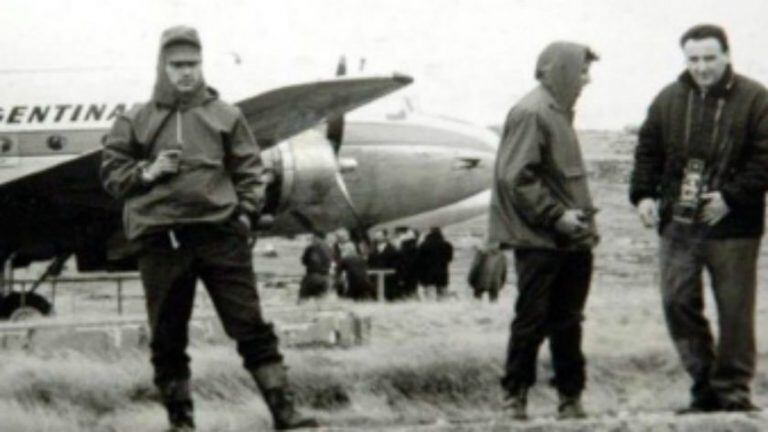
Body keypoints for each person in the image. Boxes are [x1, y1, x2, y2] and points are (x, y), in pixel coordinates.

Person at [100, 26, 316, 431]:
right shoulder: (134, 119)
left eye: (192, 64)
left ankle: (286, 415)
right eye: (177, 65)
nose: (186, 73)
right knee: (167, 338)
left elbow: (252, 171)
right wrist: (148, 172)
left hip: (220, 238)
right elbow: (112, 177)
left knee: (251, 327)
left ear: (202, 65)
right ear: (162, 66)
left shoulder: (226, 115)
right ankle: (181, 424)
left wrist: (245, 216)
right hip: (160, 241)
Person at [629, 24, 768, 413]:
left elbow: (765, 158)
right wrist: (643, 196)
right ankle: (705, 387)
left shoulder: (756, 99)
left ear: (726, 55)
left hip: (734, 229)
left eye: (709, 58)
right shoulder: (668, 100)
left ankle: (735, 393)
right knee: (676, 303)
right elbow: (647, 152)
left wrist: (731, 197)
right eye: (693, 59)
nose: (702, 67)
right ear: (685, 59)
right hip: (679, 226)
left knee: (735, 311)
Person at [487, 41, 599, 420]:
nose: (587, 79)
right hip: (542, 239)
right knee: (533, 319)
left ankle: (571, 398)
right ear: (561, 70)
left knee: (568, 320)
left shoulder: (556, 112)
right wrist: (556, 217)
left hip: (571, 239)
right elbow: (515, 178)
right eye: (583, 70)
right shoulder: (532, 112)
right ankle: (514, 397)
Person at [417, 227, 454, 299]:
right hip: (442, 273)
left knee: (430, 296)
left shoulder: (424, 245)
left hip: (427, 275)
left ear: (430, 233)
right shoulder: (447, 245)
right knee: (443, 296)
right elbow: (449, 259)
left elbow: (419, 260)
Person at [298, 231, 333, 302]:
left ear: (316, 238)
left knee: (302, 300)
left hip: (312, 277)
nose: (312, 240)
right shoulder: (329, 248)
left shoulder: (311, 248)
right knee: (321, 302)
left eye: (313, 238)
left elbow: (304, 261)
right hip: (326, 277)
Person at [367, 228, 400, 300]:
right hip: (376, 277)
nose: (377, 237)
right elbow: (370, 262)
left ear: (385, 236)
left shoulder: (392, 249)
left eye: (380, 235)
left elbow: (396, 263)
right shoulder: (373, 249)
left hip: (389, 277)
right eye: (376, 236)